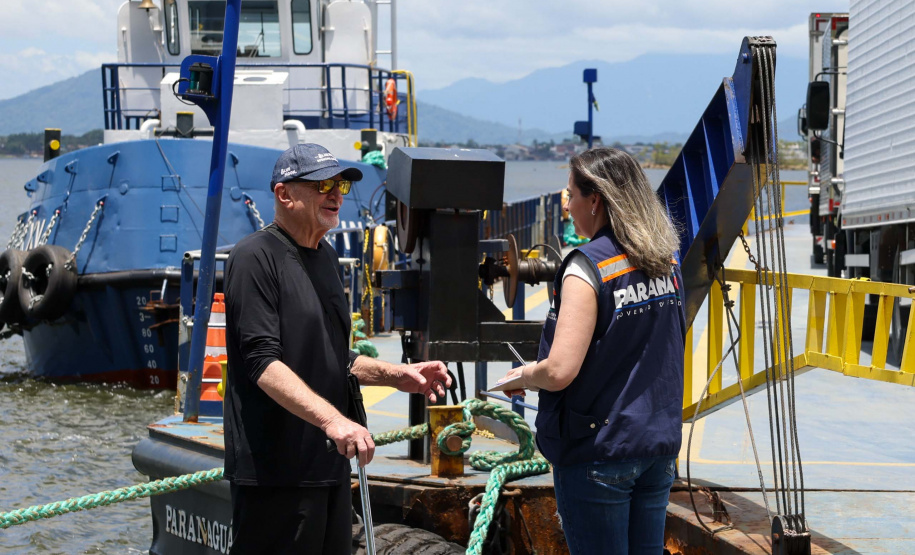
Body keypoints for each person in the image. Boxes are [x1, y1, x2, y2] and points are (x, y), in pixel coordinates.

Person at [223, 143, 452, 554]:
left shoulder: (325, 257)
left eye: (341, 184)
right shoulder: (254, 258)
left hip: (328, 467)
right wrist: (333, 420)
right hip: (276, 476)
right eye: (323, 184)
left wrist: (399, 375)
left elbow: (334, 356)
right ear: (284, 194)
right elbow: (261, 363)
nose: (337, 194)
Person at [501, 147, 685, 555]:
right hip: (657, 447)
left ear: (595, 200)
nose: (566, 206)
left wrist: (525, 376)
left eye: (571, 195)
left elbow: (561, 369)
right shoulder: (664, 262)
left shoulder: (589, 267)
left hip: (600, 452)